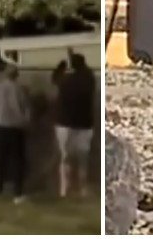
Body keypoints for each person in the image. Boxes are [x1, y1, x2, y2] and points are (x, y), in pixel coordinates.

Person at [51, 52, 96, 198]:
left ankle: (64, 189)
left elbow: (54, 79)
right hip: (84, 123)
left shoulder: (65, 80)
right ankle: (82, 188)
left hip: (65, 123)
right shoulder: (89, 80)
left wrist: (61, 66)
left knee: (65, 157)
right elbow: (88, 73)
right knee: (83, 158)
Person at [0, 65, 31, 202]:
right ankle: (18, 194)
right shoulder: (20, 89)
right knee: (17, 161)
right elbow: (26, 109)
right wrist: (25, 123)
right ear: (16, 75)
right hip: (16, 128)